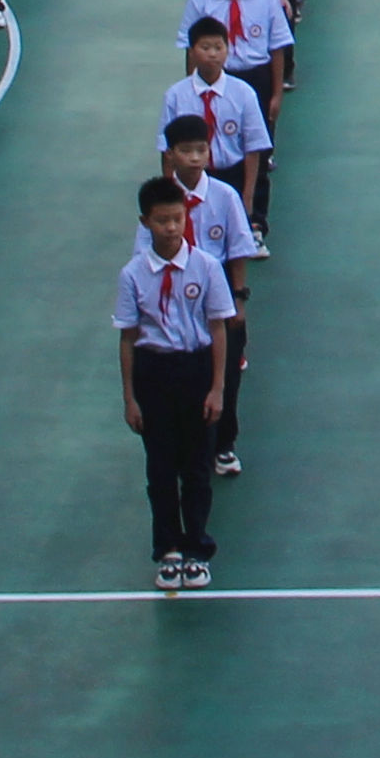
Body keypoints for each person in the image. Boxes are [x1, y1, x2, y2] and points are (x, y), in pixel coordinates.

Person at [118, 175, 236, 592]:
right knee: (161, 468)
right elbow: (128, 338)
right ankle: (167, 549)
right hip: (154, 372)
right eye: (161, 220)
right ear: (145, 222)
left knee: (197, 468)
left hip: (195, 369)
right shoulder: (133, 274)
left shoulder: (206, 267)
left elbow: (218, 329)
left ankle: (196, 549)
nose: (171, 228)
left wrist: (217, 388)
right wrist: (130, 398)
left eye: (177, 219)